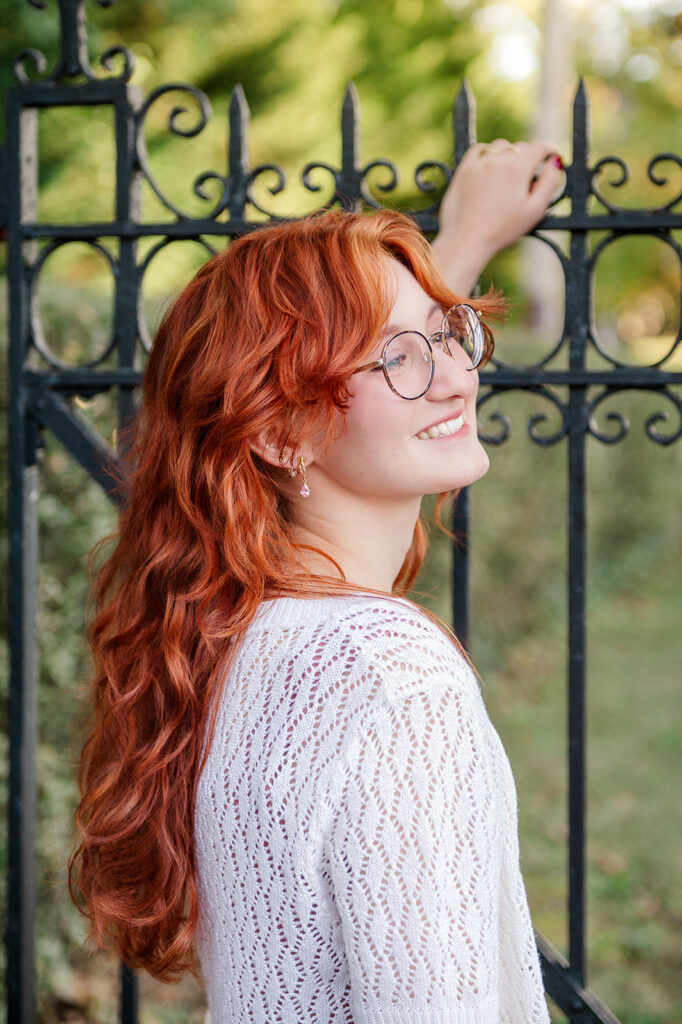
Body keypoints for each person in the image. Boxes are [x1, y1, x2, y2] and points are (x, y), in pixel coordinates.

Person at [70, 140, 564, 1022]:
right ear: (279, 435)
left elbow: (361, 387)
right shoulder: (393, 679)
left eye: (451, 333)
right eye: (403, 356)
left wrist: (459, 246)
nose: (458, 374)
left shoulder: (236, 639)